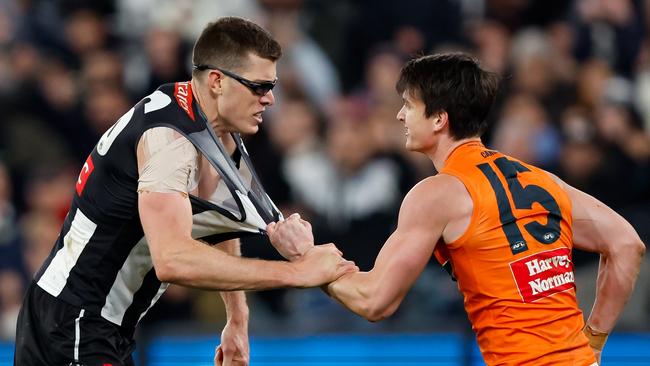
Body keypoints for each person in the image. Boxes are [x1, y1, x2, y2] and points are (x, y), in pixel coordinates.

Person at [14, 17, 356, 366]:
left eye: (272, 85)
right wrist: (295, 274)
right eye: (258, 86)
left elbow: (215, 217)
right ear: (217, 81)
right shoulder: (169, 142)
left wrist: (237, 319)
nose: (269, 98)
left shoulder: (200, 116)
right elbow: (173, 259)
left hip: (91, 322)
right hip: (75, 324)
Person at [268, 53, 646, 365]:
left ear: (438, 119)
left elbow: (374, 300)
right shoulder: (543, 181)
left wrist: (308, 257)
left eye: (408, 105)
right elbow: (627, 244)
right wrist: (593, 341)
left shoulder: (437, 194)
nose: (399, 115)